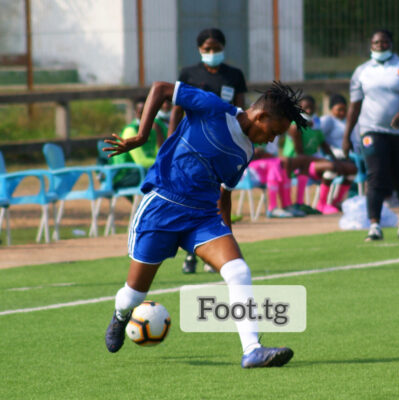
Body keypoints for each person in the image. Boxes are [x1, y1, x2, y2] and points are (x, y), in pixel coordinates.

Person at [102, 80, 306, 368]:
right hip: (162, 207)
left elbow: (225, 194)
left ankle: (252, 350)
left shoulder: (245, 150)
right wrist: (141, 135)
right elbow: (161, 89)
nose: (271, 140)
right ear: (261, 116)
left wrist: (227, 237)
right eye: (273, 132)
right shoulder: (212, 108)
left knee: (238, 270)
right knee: (134, 295)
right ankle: (121, 315)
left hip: (202, 217)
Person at [169, 27, 248, 274]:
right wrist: (171, 141)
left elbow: (242, 112)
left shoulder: (234, 75)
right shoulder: (189, 74)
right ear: (199, 49)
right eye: (207, 49)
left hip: (224, 146)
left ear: (223, 48)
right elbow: (177, 110)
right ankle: (191, 253)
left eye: (216, 49)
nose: (212, 52)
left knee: (222, 198)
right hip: (193, 146)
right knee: (195, 198)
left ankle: (224, 252)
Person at [342, 29, 399, 241]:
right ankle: (374, 224)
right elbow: (354, 105)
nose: (380, 45)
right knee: (376, 175)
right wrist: (346, 135)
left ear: (391, 43)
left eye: (384, 42)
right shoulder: (362, 71)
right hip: (372, 130)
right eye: (376, 42)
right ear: (371, 45)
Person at [286, 95, 357, 214]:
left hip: (313, 163)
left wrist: (336, 161)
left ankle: (336, 202)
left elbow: (325, 146)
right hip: (297, 165)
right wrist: (327, 162)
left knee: (352, 169)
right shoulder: (295, 127)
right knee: (331, 167)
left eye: (311, 107)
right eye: (305, 108)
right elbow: (300, 156)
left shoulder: (316, 125)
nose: (309, 111)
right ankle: (322, 204)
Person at [109, 100, 166, 190]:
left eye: (147, 112)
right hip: (124, 173)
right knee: (161, 176)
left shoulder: (153, 131)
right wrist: (164, 163)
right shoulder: (131, 131)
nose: (144, 115)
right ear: (136, 113)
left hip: (141, 171)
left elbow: (157, 154)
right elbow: (141, 161)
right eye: (141, 112)